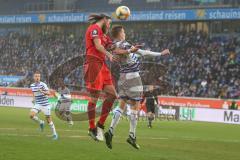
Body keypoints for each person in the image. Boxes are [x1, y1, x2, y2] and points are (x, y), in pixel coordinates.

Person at [104, 25, 170, 149]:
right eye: (123, 31)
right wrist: (161, 54)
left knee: (121, 105)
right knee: (135, 106)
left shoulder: (116, 45)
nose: (125, 33)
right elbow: (134, 52)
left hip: (123, 78)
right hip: (133, 78)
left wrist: (159, 54)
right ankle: (132, 136)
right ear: (119, 33)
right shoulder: (123, 44)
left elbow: (143, 53)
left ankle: (111, 131)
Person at [84, 14, 137, 141]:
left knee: (113, 95)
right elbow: (98, 46)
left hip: (102, 66)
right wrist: (108, 54)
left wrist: (129, 49)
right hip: (93, 64)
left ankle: (100, 124)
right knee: (94, 97)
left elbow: (113, 47)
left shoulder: (104, 36)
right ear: (104, 20)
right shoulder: (94, 29)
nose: (109, 26)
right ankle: (91, 128)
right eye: (109, 23)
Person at [29, 71, 58, 140]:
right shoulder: (32, 85)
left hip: (45, 104)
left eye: (38, 76)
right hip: (38, 104)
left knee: (48, 120)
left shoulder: (43, 85)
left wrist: (42, 91)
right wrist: (33, 99)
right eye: (36, 76)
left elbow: (48, 93)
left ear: (40, 77)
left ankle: (55, 134)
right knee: (31, 115)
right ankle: (41, 122)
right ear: (34, 77)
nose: (37, 78)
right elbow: (34, 93)